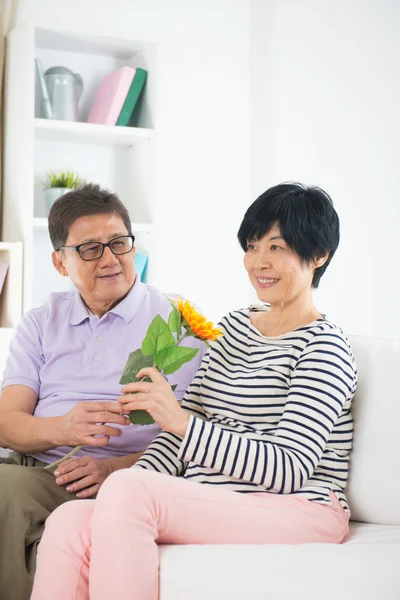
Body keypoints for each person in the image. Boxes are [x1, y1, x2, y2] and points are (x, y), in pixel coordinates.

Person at [31, 182, 357, 600]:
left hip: (303, 505)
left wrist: (181, 425)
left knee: (130, 489)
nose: (260, 262)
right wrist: (140, 470)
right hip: (217, 496)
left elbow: (289, 467)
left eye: (277, 248)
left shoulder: (323, 346)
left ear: (319, 256)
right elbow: (178, 436)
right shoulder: (237, 326)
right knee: (71, 520)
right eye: (253, 246)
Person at [0, 184, 205, 600]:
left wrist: (111, 470)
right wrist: (64, 429)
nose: (110, 259)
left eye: (119, 243)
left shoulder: (178, 323)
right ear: (60, 261)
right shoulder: (41, 322)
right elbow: (7, 423)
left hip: (129, 477)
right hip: (40, 468)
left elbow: (192, 435)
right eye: (90, 249)